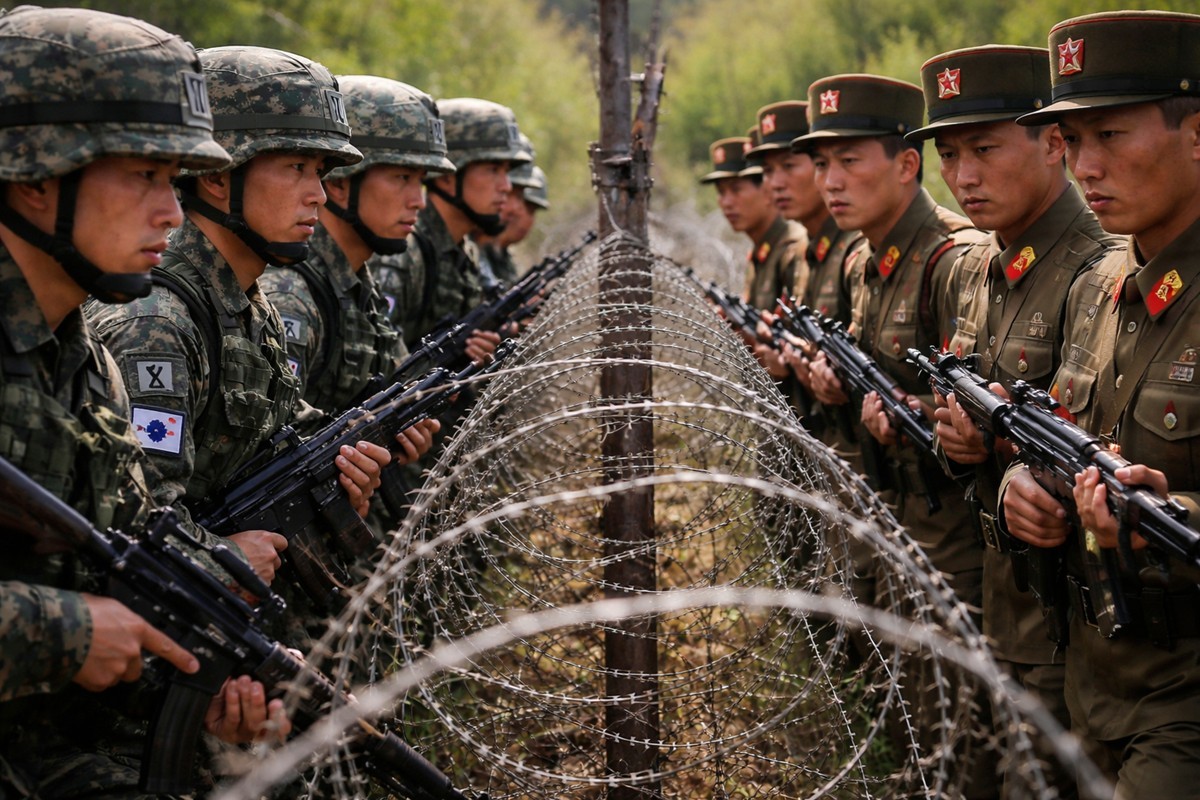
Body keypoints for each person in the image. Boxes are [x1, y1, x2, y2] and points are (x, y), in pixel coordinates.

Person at [0, 8, 285, 797]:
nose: (172, 210)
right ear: (33, 178)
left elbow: (131, 538)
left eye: (176, 180)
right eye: (143, 176)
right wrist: (64, 634)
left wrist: (221, 654)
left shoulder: (79, 352)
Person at [87, 46, 389, 588]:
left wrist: (346, 468)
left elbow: (277, 434)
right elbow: (135, 528)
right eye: (296, 166)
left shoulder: (248, 302)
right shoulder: (157, 323)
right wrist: (220, 559)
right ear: (218, 177)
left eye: (320, 172)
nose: (318, 194)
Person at [908, 43, 1120, 797]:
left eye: (985, 149)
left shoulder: (1100, 273)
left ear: (1052, 144)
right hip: (1000, 597)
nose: (963, 176)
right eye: (949, 154)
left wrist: (999, 448)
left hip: (1079, 626)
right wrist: (957, 440)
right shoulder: (971, 266)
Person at [998, 11, 1200, 796]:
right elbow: (1060, 430)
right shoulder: (1101, 287)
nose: (1085, 165)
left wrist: (1169, 513)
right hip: (1089, 675)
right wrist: (1027, 485)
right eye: (1074, 142)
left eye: (1110, 136)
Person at [794, 72, 990, 794]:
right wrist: (834, 387)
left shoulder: (951, 259)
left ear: (906, 164)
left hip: (952, 531)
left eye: (851, 161)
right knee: (911, 704)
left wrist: (916, 415)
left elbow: (973, 411)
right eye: (823, 163)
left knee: (959, 726)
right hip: (892, 507)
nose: (831, 182)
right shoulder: (860, 259)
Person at [372, 97, 530, 358]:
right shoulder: (404, 252)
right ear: (447, 178)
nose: (506, 186)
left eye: (506, 171)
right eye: (492, 170)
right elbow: (380, 369)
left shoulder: (464, 251)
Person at [700, 136, 809, 313]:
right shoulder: (761, 250)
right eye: (721, 192)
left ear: (766, 190)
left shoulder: (792, 249)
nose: (726, 202)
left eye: (736, 189)